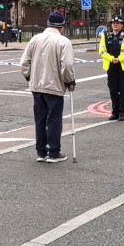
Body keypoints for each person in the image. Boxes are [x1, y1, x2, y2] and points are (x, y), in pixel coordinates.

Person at [20, 11, 76, 163]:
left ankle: (41, 152)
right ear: (62, 27)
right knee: (54, 119)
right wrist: (70, 81)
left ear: (48, 24)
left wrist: (28, 76)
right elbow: (67, 65)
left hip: (36, 86)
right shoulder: (63, 41)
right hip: (55, 86)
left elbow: (25, 62)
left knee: (40, 119)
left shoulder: (35, 39)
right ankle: (53, 152)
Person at [99, 15, 124, 121]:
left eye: (118, 23)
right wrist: (111, 59)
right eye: (113, 23)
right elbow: (102, 51)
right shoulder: (105, 34)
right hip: (111, 66)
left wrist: (119, 59)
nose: (115, 25)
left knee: (123, 90)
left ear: (122, 25)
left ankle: (122, 112)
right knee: (113, 90)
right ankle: (114, 112)